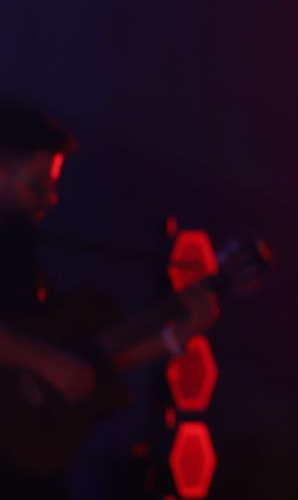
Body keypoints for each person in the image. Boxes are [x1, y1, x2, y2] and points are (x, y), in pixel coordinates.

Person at [0, 99, 218, 497]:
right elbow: (54, 362)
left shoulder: (22, 256)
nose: (51, 197)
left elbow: (83, 362)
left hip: (31, 469)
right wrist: (44, 360)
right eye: (40, 182)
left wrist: (176, 336)